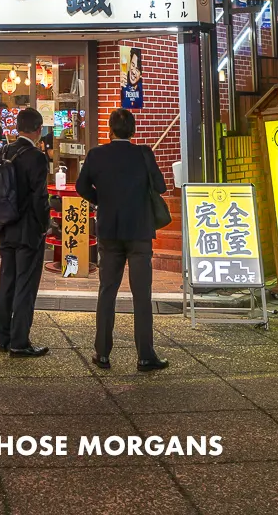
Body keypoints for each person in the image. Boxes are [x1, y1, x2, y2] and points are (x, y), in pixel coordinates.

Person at [75, 109, 169, 372]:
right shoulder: (144, 153)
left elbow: (81, 187)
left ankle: (102, 353)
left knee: (107, 291)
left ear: (110, 130)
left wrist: (101, 199)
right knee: (141, 295)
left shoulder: (96, 155)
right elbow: (160, 187)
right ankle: (145, 356)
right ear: (134, 131)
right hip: (139, 231)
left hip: (109, 231)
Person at [0, 107, 51, 357]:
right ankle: (19, 341)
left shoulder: (5, 150)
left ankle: (3, 336)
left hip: (6, 225)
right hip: (28, 230)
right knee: (25, 285)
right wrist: (44, 225)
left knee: (7, 282)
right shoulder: (36, 157)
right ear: (38, 130)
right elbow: (40, 197)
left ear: (17, 127)